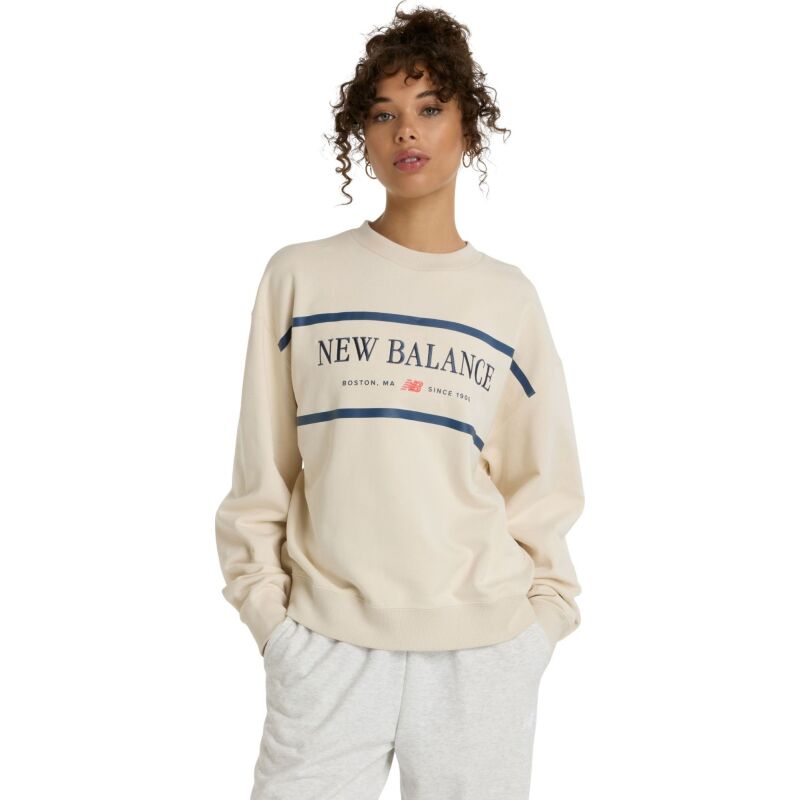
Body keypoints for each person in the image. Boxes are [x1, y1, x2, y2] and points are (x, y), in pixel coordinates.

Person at [215, 6, 585, 799]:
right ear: (362, 133)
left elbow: (544, 484)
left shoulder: (507, 300)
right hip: (326, 648)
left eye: (429, 108)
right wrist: (271, 622)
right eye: (383, 114)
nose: (406, 131)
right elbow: (261, 471)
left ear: (468, 129)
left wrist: (538, 628)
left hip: (481, 655)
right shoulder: (300, 278)